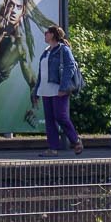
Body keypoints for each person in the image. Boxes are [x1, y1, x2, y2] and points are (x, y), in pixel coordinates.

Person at [36, 26, 83, 156]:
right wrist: (36, 91)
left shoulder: (63, 49)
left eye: (47, 32)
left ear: (52, 35)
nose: (45, 34)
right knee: (50, 120)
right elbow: (41, 73)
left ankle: (76, 140)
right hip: (45, 89)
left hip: (58, 89)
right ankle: (53, 148)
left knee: (60, 116)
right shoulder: (46, 51)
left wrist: (63, 87)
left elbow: (70, 67)